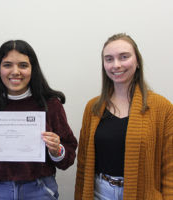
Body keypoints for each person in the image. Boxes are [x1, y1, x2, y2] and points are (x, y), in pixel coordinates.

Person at [0, 40, 78, 200]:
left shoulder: (50, 104)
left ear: (32, 69)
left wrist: (57, 150)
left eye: (23, 65)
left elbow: (67, 159)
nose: (15, 71)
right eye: (7, 65)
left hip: (39, 190)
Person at [74, 33, 173, 199]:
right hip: (100, 193)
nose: (116, 65)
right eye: (109, 59)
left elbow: (170, 167)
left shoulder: (162, 108)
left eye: (124, 57)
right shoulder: (93, 108)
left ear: (137, 62)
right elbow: (83, 163)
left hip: (142, 195)